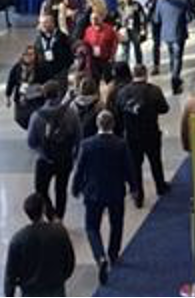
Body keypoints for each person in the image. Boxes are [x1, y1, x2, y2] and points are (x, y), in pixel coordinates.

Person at [72, 110, 136, 284]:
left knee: (92, 227)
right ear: (113, 125)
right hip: (116, 191)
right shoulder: (121, 144)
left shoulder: (87, 145)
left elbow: (80, 170)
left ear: (97, 125)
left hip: (93, 193)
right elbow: (129, 168)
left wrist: (75, 188)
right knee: (117, 224)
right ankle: (113, 254)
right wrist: (134, 188)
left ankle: (100, 257)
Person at [116, 64, 170, 206]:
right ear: (146, 74)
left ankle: (138, 195)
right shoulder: (154, 91)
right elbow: (164, 109)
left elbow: (118, 112)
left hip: (132, 136)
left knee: (135, 166)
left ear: (133, 75)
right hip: (151, 133)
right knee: (155, 161)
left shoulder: (122, 92)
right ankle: (160, 187)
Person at [4, 193, 76, 297]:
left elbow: (10, 274)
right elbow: (69, 262)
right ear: (44, 209)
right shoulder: (59, 232)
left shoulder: (18, 239)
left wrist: (9, 294)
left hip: (30, 292)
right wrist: (61, 278)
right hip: (56, 289)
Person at [26, 82, 79, 221]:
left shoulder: (37, 116)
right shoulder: (71, 113)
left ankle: (52, 215)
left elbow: (31, 141)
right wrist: (74, 155)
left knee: (41, 189)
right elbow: (78, 136)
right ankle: (60, 216)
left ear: (44, 95)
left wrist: (42, 152)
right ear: (59, 94)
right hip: (65, 158)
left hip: (45, 160)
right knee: (61, 190)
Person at [152, 0, 190, 94]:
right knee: (178, 58)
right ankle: (175, 79)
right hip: (179, 33)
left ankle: (174, 76)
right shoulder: (183, 1)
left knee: (172, 56)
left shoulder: (161, 2)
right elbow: (189, 17)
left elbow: (156, 19)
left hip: (167, 34)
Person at [34, 14, 73, 84]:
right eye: (41, 23)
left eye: (45, 23)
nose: (43, 25)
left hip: (59, 74)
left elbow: (69, 56)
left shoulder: (62, 37)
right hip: (44, 74)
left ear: (52, 23)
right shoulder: (39, 38)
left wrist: (64, 69)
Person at [82, 10, 119, 84]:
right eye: (92, 19)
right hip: (93, 60)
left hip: (106, 59)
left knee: (108, 80)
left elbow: (114, 43)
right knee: (95, 80)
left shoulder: (109, 29)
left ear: (101, 18)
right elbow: (85, 43)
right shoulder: (88, 30)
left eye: (96, 18)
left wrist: (112, 56)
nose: (94, 21)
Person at [116, 0, 147, 67]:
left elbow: (142, 17)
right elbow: (117, 18)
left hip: (135, 29)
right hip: (124, 30)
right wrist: (117, 29)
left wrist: (143, 30)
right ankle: (125, 67)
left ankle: (139, 65)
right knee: (125, 49)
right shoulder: (120, 5)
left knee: (137, 48)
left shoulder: (136, 5)